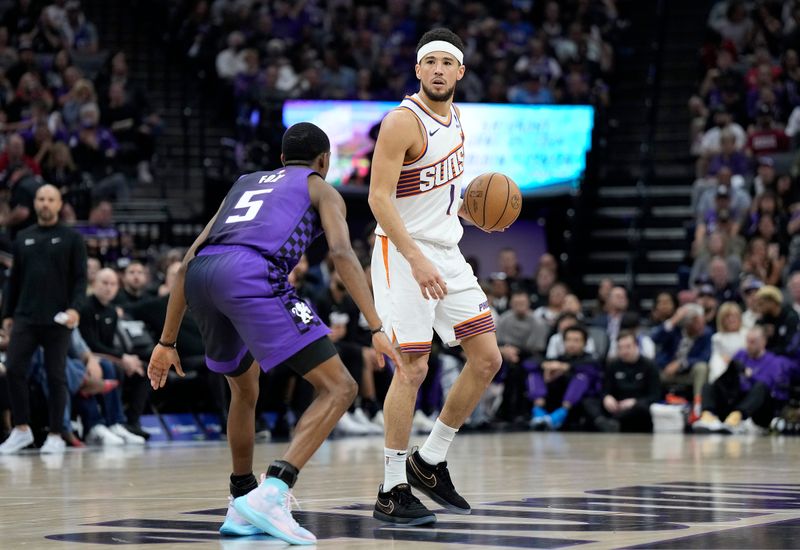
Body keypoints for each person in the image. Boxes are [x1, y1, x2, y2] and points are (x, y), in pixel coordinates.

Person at [146, 122, 399, 545]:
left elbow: (190, 258)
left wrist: (166, 341)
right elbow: (340, 253)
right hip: (251, 273)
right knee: (340, 387)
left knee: (244, 390)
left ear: (281, 159)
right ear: (324, 161)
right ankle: (275, 489)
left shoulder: (243, 184)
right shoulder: (321, 188)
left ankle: (240, 497)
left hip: (204, 276)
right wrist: (375, 324)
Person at [368, 28, 503, 525]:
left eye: (449, 62)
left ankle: (430, 460)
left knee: (487, 358)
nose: (440, 70)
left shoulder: (460, 119)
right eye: (432, 62)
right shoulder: (401, 121)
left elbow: (436, 187)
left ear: (461, 72)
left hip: (447, 248)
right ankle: (391, 487)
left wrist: (465, 211)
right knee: (413, 368)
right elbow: (379, 199)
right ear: (418, 70)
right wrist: (416, 257)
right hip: (402, 251)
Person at [0, 184, 87, 455]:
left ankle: (55, 434)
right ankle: (22, 429)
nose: (45, 203)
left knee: (56, 375)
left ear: (59, 204)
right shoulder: (23, 237)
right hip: (26, 316)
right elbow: (13, 282)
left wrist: (75, 309)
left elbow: (80, 279)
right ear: (35, 203)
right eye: (41, 199)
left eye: (50, 199)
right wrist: (7, 315)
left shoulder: (72, 238)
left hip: (58, 319)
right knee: (13, 368)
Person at [584, 332, 661, 432]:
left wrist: (634, 402)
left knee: (641, 408)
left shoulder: (650, 366)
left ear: (636, 346)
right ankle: (603, 422)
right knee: (588, 401)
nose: (624, 351)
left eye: (628, 347)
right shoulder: (613, 365)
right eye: (620, 348)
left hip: (636, 407)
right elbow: (605, 389)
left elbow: (655, 395)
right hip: (616, 405)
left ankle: (611, 423)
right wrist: (607, 398)